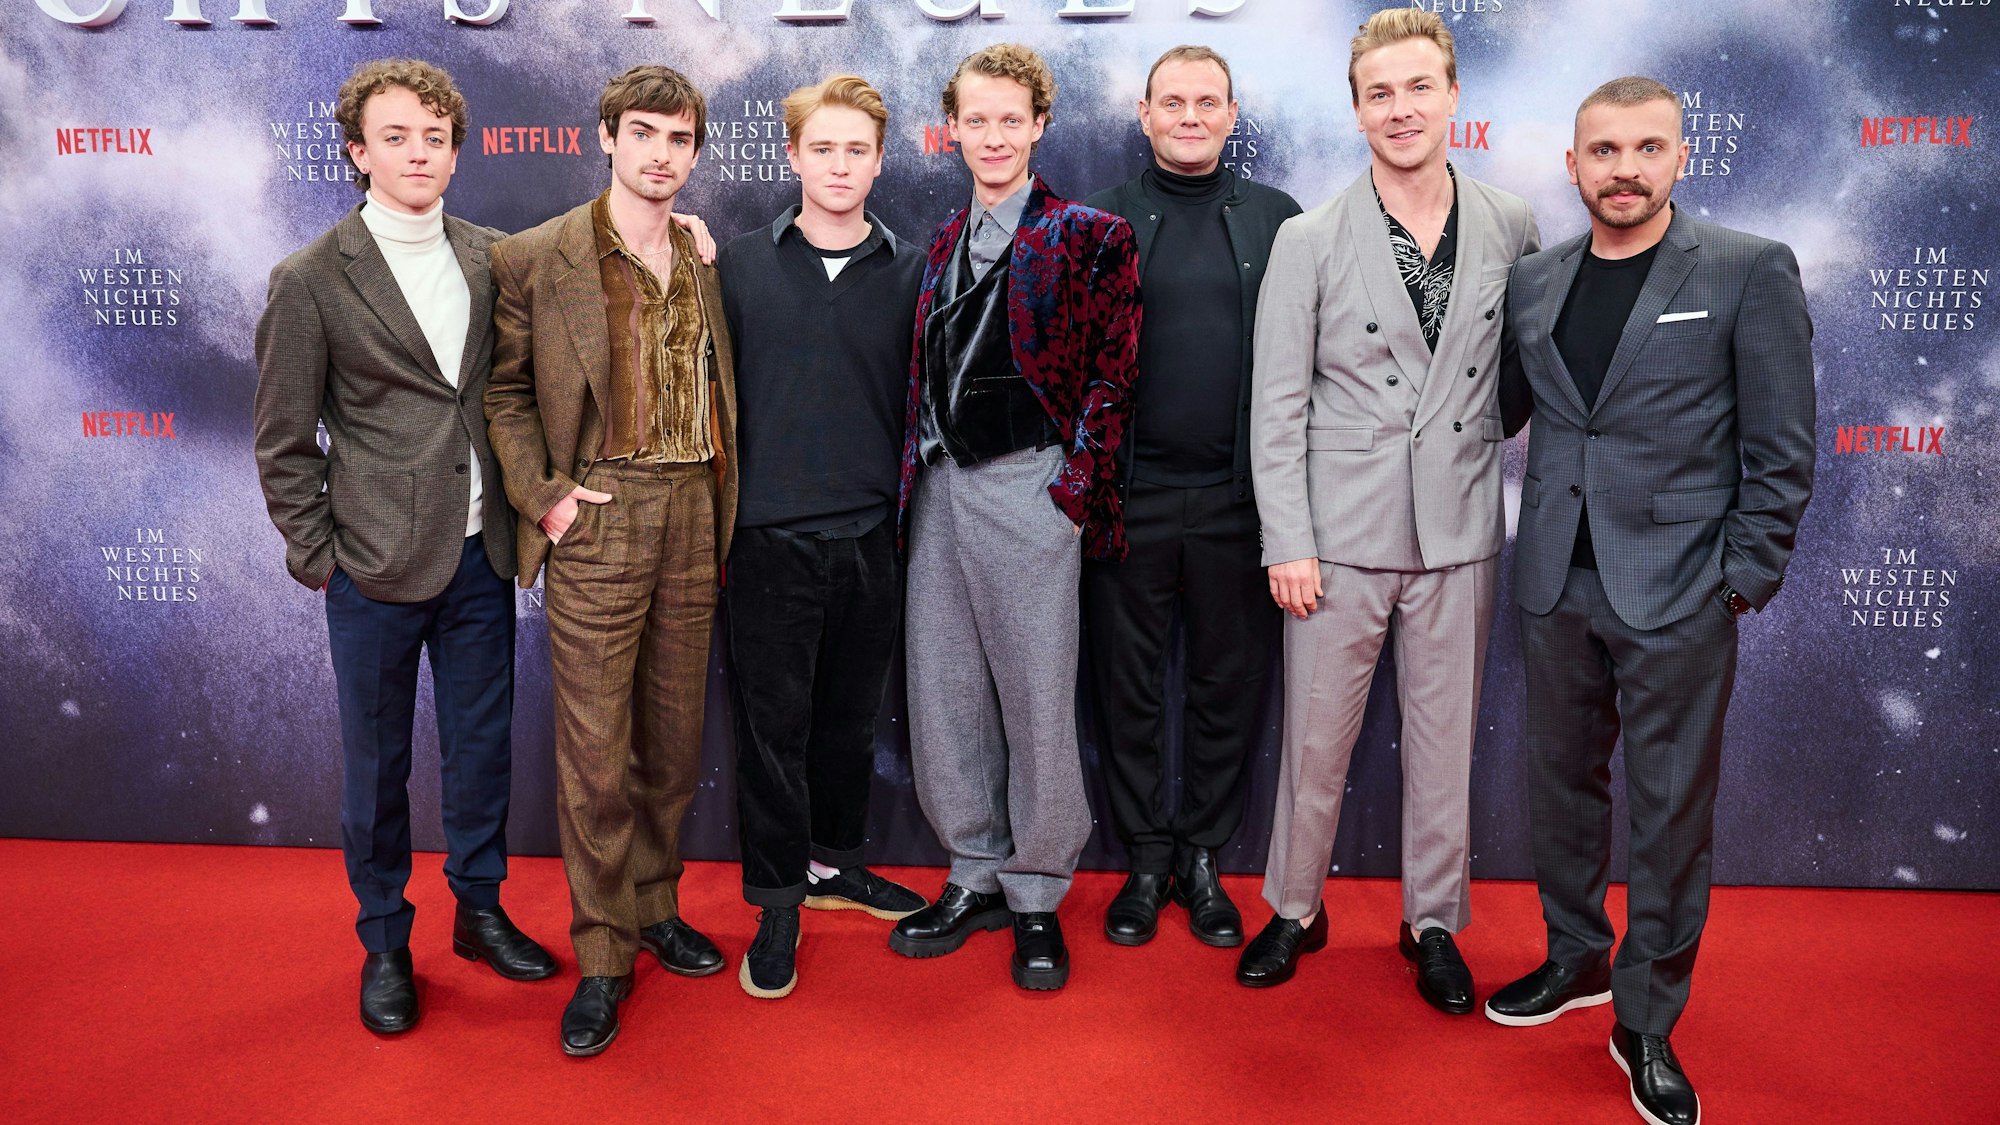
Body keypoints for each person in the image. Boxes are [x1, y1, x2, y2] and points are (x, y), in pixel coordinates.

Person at [1486, 75, 1814, 1125]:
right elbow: (1501, 411)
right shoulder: (1533, 280)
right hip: (1551, 579)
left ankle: (1644, 1023)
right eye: (1601, 150)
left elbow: (1780, 444)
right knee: (1558, 788)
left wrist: (1741, 576)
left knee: (1669, 813)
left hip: (1677, 591)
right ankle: (1575, 958)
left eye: (1644, 148)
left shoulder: (1743, 268)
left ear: (1678, 157)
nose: (1621, 169)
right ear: (1572, 164)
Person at [1240, 8, 1540, 1012]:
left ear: (1452, 95)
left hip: (1458, 528)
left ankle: (1432, 924)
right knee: (1314, 741)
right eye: (1379, 93)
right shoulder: (1307, 236)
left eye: (1418, 88)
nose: (1399, 108)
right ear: (1356, 109)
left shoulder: (1508, 224)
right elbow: (1275, 405)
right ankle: (1292, 908)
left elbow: (1519, 378)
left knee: (1445, 740)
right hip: (1337, 535)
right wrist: (1287, 538)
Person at [253, 58, 556, 1036]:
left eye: (434, 137)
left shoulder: (492, 256)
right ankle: (384, 939)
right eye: (396, 137)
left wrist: (686, 229)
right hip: (372, 567)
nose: (417, 152)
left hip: (481, 557)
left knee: (480, 754)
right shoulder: (309, 279)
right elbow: (282, 439)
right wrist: (320, 554)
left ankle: (478, 912)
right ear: (358, 153)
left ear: (456, 154)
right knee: (378, 768)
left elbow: (592, 274)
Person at [483, 64, 737, 1057]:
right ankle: (600, 956)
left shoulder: (701, 253)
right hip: (599, 509)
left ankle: (652, 904)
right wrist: (544, 499)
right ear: (606, 138)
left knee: (670, 745)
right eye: (643, 134)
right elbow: (503, 395)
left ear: (693, 153)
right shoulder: (536, 256)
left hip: (692, 506)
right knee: (593, 756)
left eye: (678, 140)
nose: (660, 154)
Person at [886, 43, 1140, 992]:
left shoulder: (1089, 234)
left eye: (1009, 119)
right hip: (942, 489)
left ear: (1039, 124)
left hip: (1033, 487)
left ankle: (1036, 892)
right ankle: (973, 871)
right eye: (974, 120)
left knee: (1036, 696)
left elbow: (1115, 375)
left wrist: (1071, 492)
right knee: (945, 688)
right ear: (953, 130)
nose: (991, 136)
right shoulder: (943, 239)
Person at [1081, 45, 1299, 950]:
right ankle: (1143, 858)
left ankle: (1203, 858)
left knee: (1227, 685)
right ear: (1144, 113)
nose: (1190, 116)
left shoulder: (1281, 222)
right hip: (1130, 501)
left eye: (1207, 101)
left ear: (1232, 113)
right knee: (1127, 690)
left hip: (1237, 503)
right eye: (1173, 101)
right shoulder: (1103, 221)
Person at [715, 73, 927, 1001]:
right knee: (773, 731)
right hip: (766, 541)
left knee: (848, 721)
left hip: (874, 535)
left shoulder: (915, 268)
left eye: (857, 150)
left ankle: (836, 865)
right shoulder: (737, 265)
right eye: (823, 149)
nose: (840, 166)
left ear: (881, 161)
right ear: (793, 155)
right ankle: (776, 902)